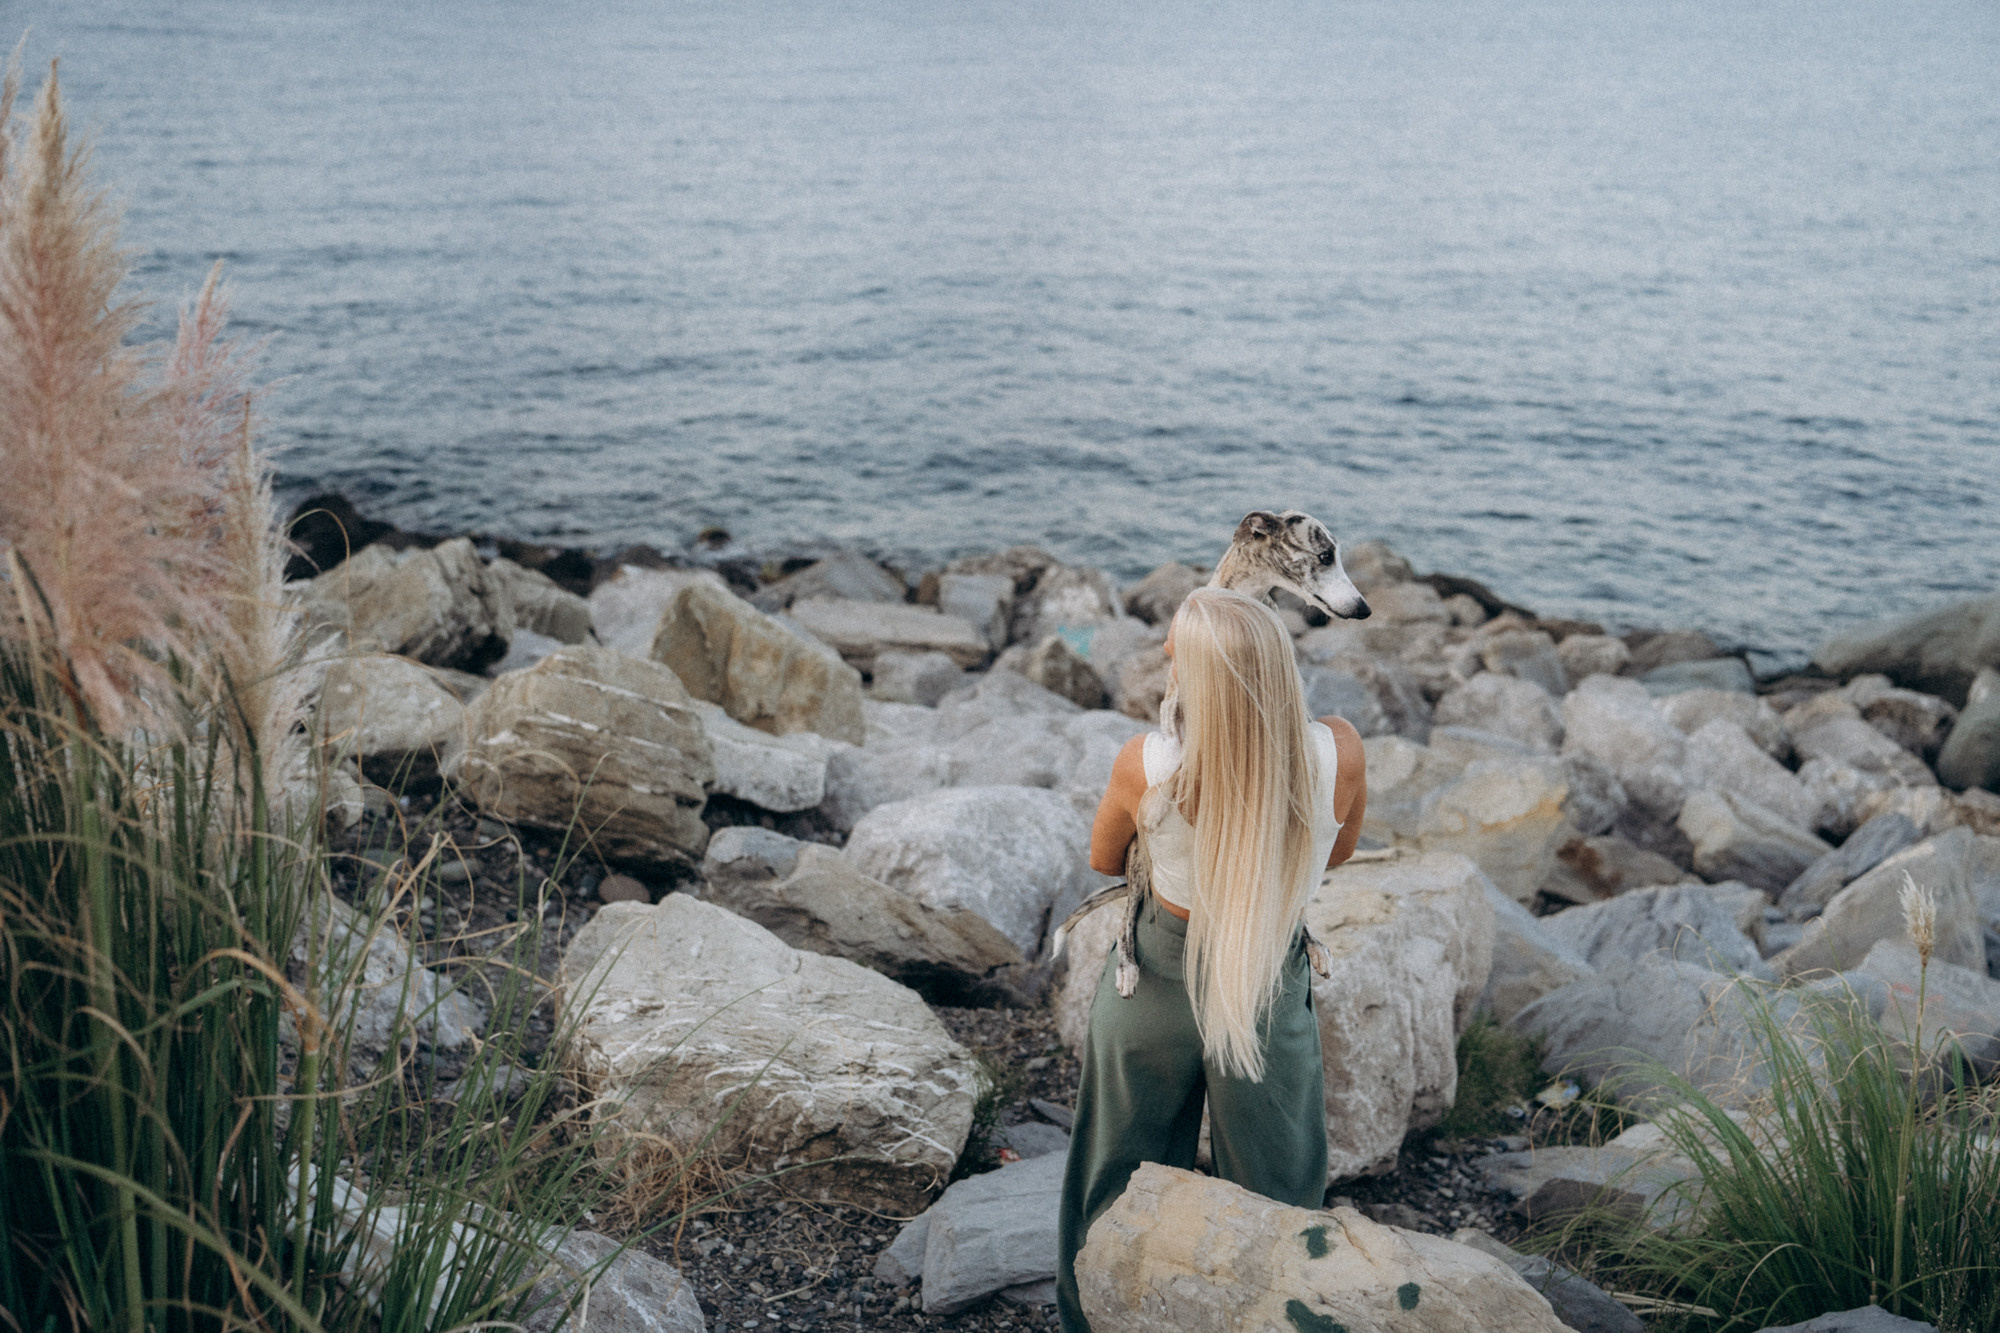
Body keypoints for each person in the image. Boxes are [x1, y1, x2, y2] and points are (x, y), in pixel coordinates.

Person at [1055, 586, 1368, 1331]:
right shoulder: (1340, 750)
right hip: (1265, 978)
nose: (1162, 651)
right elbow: (1342, 848)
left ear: (1197, 678)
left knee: (1114, 1181)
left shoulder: (1149, 762)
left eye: (1174, 649)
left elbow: (1104, 857)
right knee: (1277, 1195)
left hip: (1155, 976)